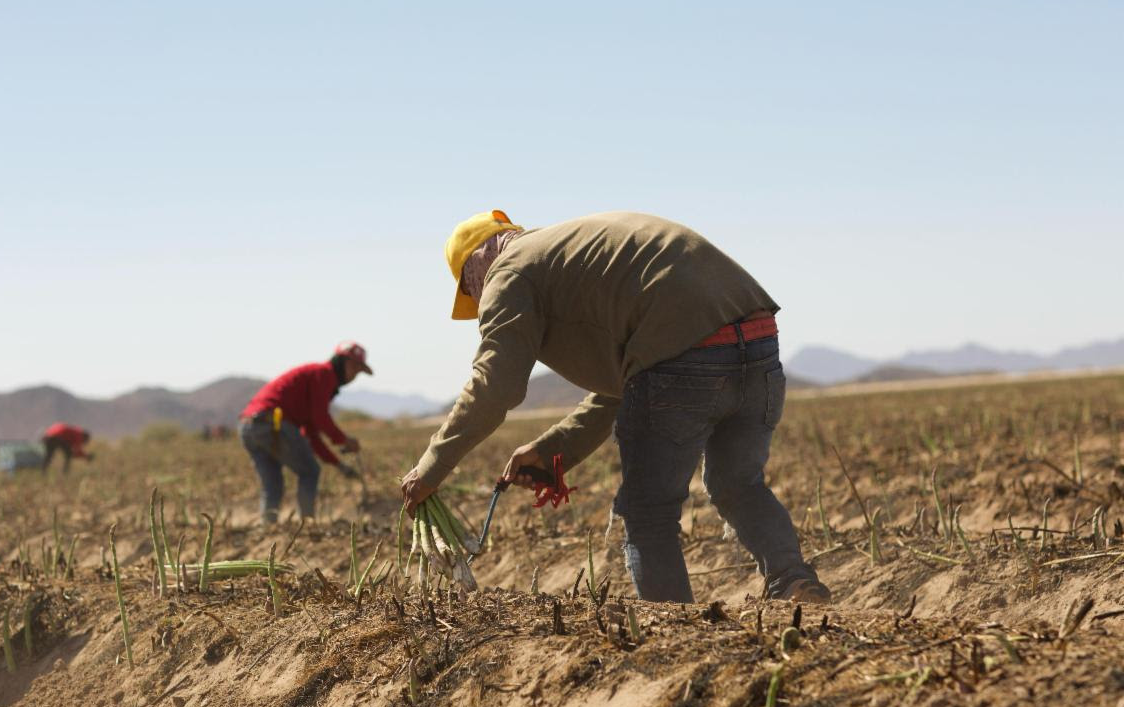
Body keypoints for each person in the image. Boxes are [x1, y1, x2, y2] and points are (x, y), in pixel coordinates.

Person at [400, 210, 830, 604]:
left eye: (470, 291)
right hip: (757, 340)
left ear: (473, 268)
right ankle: (794, 582)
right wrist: (557, 451)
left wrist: (431, 467)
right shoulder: (568, 255)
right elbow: (631, 381)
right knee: (739, 484)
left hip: (683, 356)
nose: (478, 299)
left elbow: (496, 384)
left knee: (648, 513)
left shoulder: (508, 273)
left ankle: (679, 636)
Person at [239, 342, 372, 523]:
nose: (354, 375)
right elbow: (320, 417)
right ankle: (307, 524)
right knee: (309, 472)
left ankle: (267, 526)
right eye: (354, 367)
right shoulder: (324, 375)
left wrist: (338, 464)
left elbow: (311, 434)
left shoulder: (318, 378)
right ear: (341, 361)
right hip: (273, 423)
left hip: (249, 427)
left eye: (359, 371)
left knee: (273, 485)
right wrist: (344, 440)